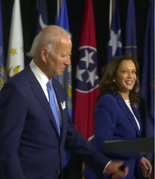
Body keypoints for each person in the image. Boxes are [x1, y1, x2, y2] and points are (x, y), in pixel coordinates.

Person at [0, 26, 128, 179]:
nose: (68, 62)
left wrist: (105, 165)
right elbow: (6, 151)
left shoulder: (57, 88)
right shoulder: (17, 89)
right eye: (63, 55)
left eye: (69, 55)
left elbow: (70, 135)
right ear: (44, 54)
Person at [83, 55, 152, 179]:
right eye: (125, 71)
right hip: (112, 173)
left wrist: (140, 157)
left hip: (129, 173)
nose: (130, 76)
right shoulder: (108, 101)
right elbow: (103, 143)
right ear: (114, 77)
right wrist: (140, 149)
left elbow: (127, 139)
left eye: (133, 72)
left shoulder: (131, 104)